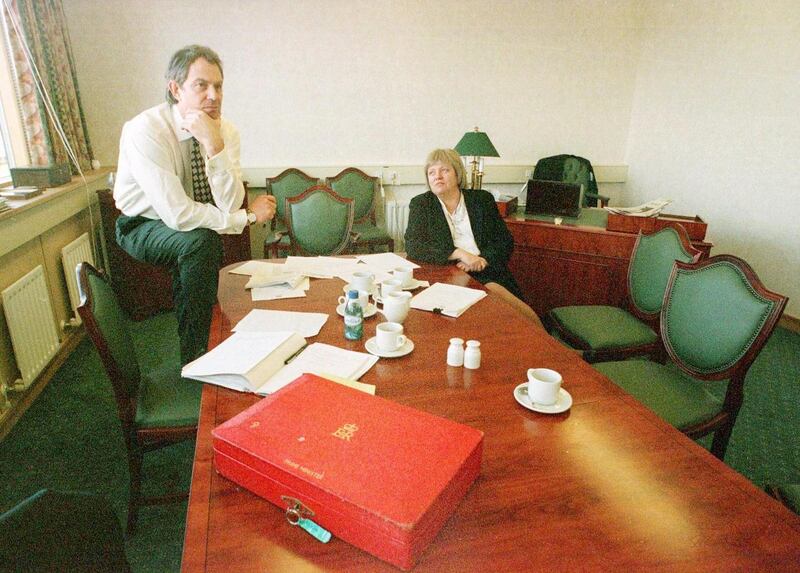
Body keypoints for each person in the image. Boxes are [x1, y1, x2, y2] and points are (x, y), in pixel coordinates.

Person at [113, 45, 276, 364]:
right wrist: (246, 218)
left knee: (201, 240)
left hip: (191, 224)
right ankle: (197, 354)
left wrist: (214, 145)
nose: (213, 95)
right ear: (175, 89)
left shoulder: (226, 131)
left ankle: (211, 332)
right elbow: (177, 214)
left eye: (218, 86)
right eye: (201, 85)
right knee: (200, 243)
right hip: (140, 224)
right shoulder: (145, 130)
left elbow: (228, 203)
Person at [404, 148, 542, 327]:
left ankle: (549, 341)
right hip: (449, 274)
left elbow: (505, 241)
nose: (437, 176)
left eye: (444, 170)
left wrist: (481, 260)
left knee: (496, 293)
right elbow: (413, 245)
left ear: (458, 174)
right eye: (431, 172)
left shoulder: (481, 200)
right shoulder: (421, 204)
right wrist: (458, 253)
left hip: (487, 269)